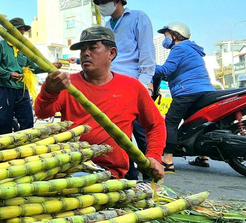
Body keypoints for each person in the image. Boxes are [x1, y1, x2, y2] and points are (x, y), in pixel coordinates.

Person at [34, 26, 165, 180]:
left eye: (93, 48)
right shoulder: (66, 83)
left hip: (113, 174)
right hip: (70, 168)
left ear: (112, 53)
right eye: (82, 49)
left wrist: (154, 155)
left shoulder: (132, 87)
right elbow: (42, 113)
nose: (85, 53)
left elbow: (155, 124)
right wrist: (49, 91)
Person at [93, 0, 155, 180]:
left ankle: (151, 176)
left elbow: (146, 51)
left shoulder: (138, 18)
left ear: (117, 1)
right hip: (111, 83)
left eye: (104, 2)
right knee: (119, 134)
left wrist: (145, 82)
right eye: (99, 3)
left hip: (134, 82)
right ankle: (129, 176)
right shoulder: (105, 27)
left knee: (142, 132)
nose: (102, 6)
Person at [154, 22, 216, 172]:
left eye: (166, 35)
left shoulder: (179, 48)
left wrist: (146, 64)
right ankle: (203, 157)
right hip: (205, 91)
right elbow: (173, 74)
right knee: (195, 123)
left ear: (176, 35)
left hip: (187, 92)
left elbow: (165, 69)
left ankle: (167, 161)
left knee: (171, 122)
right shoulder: (193, 49)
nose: (165, 38)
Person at [0, 18, 57, 134]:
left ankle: (26, 148)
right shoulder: (0, 46)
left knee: (27, 121)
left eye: (23, 30)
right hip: (5, 88)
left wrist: (49, 67)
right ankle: (4, 149)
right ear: (11, 30)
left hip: (22, 89)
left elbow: (33, 67)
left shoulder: (24, 49)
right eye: (19, 29)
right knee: (3, 121)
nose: (22, 32)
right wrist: (9, 74)